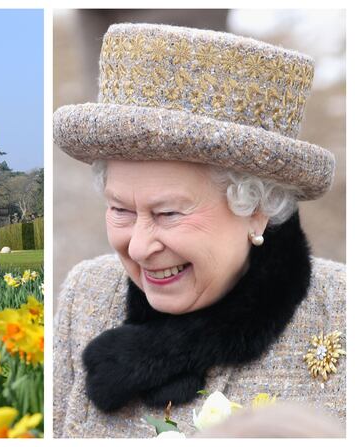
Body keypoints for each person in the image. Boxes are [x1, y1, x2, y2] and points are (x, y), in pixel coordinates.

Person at [53, 23, 345, 438]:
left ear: (257, 209)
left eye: (168, 213)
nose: (137, 247)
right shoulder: (87, 294)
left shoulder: (341, 310)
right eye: (120, 209)